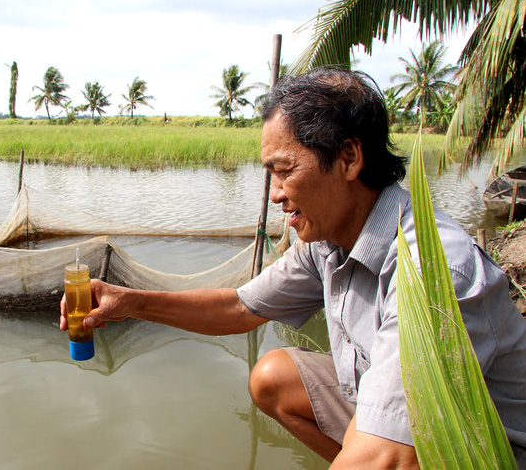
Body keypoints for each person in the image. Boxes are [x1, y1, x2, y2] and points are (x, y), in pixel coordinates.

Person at [59, 67, 526, 468]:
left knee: (382, 456)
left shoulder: (431, 269)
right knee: (273, 378)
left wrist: (372, 453)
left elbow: (388, 455)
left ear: (348, 157)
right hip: (404, 423)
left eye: (285, 171)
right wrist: (131, 303)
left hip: (483, 451)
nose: (276, 193)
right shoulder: (327, 238)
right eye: (270, 175)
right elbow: (240, 310)